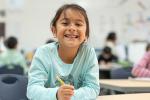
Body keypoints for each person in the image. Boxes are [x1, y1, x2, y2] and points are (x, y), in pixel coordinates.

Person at [27, 4, 100, 100]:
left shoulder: (88, 52)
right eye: (65, 23)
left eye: (78, 24)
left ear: (86, 34)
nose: (72, 28)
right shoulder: (43, 52)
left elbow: (93, 88)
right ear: (54, 30)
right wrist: (57, 94)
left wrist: (68, 96)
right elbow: (32, 90)